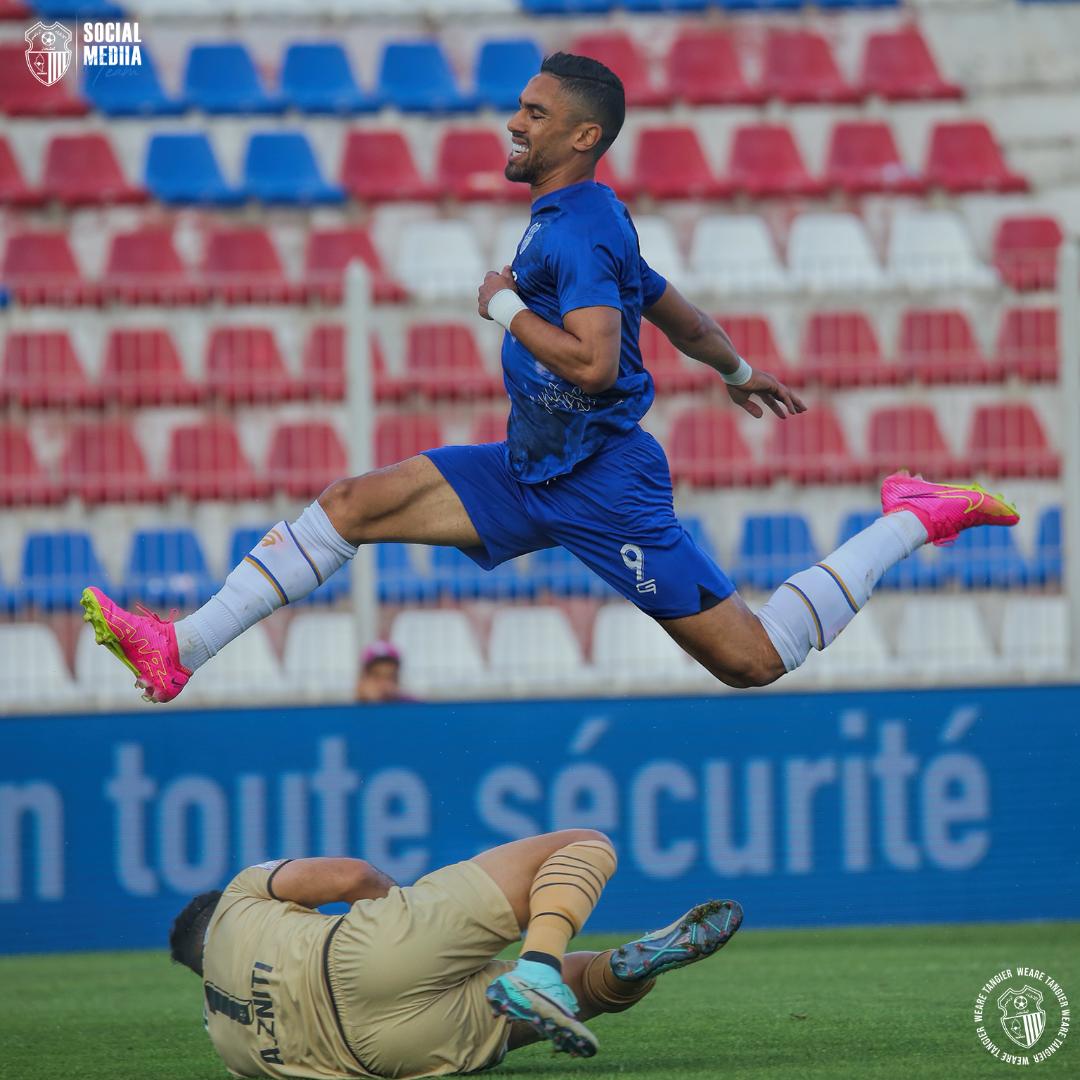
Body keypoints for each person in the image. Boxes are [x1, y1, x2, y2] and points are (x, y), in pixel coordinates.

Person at [80, 52, 1018, 704]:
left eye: (534, 114)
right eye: (519, 107)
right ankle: (181, 650)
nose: (514, 122)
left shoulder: (572, 230)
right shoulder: (583, 216)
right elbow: (671, 308)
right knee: (354, 503)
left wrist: (499, 307)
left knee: (755, 659)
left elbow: (595, 359)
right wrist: (733, 366)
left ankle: (912, 512)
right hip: (530, 465)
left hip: (602, 485)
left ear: (582, 136)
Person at [168, 829, 743, 1076]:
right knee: (582, 846)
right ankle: (538, 971)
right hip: (357, 956)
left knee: (585, 987)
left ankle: (614, 970)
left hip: (379, 1057)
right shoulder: (238, 899)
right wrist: (412, 928)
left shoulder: (226, 1045)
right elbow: (351, 875)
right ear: (212, 914)